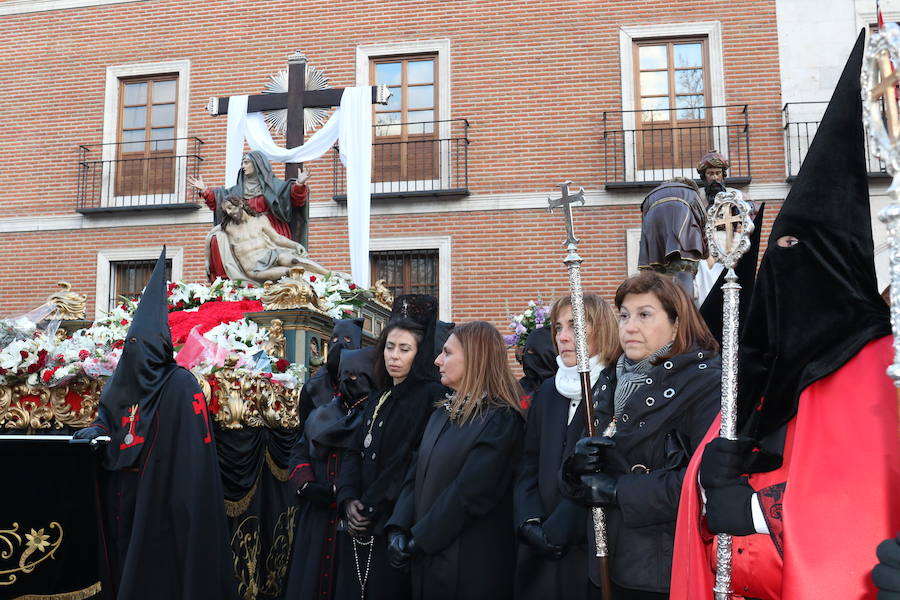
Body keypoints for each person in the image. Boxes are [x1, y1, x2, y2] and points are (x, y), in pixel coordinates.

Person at [671, 30, 900, 600]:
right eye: (777, 256)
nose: (781, 276)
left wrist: (751, 509)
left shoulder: (880, 364)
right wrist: (705, 488)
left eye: (799, 256)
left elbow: (867, 497)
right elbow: (711, 469)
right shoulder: (761, 367)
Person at [73, 249, 236, 600]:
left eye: (143, 347)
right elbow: (109, 417)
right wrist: (98, 431)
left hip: (162, 501)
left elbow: (192, 458)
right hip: (121, 497)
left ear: (160, 349)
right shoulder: (123, 379)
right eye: (131, 346)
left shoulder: (180, 385)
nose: (136, 354)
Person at [560, 272, 721, 599]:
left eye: (644, 315)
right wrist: (574, 469)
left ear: (677, 323)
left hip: (660, 572)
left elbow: (704, 483)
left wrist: (619, 491)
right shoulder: (608, 379)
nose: (630, 326)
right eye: (624, 315)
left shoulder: (707, 384)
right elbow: (577, 475)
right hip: (603, 563)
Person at [386, 321, 526, 600]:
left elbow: (470, 493)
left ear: (475, 358)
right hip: (428, 556)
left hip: (470, 563)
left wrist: (419, 540)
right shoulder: (441, 413)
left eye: (447, 353)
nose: (438, 360)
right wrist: (399, 527)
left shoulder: (500, 419)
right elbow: (415, 473)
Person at [334, 295, 447, 600]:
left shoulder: (431, 396)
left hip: (394, 524)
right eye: (389, 346)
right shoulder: (378, 396)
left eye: (404, 349)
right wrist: (348, 500)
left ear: (420, 353)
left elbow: (410, 460)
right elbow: (354, 451)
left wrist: (370, 507)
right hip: (360, 522)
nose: (394, 356)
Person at [512, 294, 619, 599]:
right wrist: (528, 521)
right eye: (558, 327)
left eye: (575, 325)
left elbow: (608, 466)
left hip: (586, 545)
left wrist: (557, 529)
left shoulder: (615, 386)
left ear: (601, 328)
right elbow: (528, 461)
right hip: (539, 544)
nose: (563, 336)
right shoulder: (549, 390)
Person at [286, 347, 375, 600]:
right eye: (346, 374)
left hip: (354, 519)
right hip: (317, 517)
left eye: (358, 375)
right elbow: (299, 452)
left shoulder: (376, 416)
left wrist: (345, 494)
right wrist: (307, 485)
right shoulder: (322, 413)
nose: (350, 380)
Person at [214, 194, 331, 284]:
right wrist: (206, 261)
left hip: (270, 255)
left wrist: (295, 245)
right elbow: (210, 237)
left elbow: (277, 238)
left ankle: (331, 275)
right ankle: (330, 283)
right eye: (226, 210)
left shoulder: (260, 220)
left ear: (240, 204)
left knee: (295, 261)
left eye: (230, 208)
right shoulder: (228, 228)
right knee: (291, 272)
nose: (229, 213)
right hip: (255, 269)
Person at [638, 177, 708, 298]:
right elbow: (703, 219)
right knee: (684, 276)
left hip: (655, 249)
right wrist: (705, 250)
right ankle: (686, 313)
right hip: (684, 244)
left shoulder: (649, 197)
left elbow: (644, 227)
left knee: (660, 285)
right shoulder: (690, 191)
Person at [299, 318, 365, 427]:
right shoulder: (312, 387)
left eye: (347, 339)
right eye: (335, 340)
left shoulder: (369, 386)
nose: (340, 345)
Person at [515, 325, 558, 410]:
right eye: (526, 352)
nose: (527, 357)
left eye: (534, 352)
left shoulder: (566, 390)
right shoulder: (520, 389)